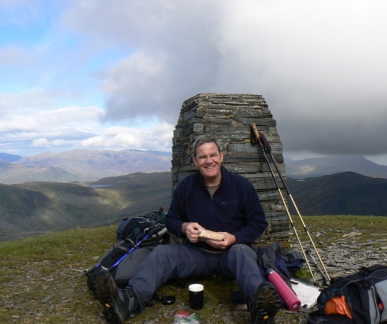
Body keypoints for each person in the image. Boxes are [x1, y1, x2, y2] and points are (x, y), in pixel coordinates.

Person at [94, 134, 281, 323]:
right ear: (195, 160)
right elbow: (171, 220)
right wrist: (184, 228)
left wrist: (234, 238)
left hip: (231, 253)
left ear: (221, 156)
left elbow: (258, 223)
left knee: (243, 252)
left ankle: (260, 309)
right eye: (202, 157)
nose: (209, 161)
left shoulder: (242, 187)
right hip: (196, 253)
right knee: (161, 253)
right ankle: (128, 301)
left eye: (213, 155)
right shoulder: (186, 187)